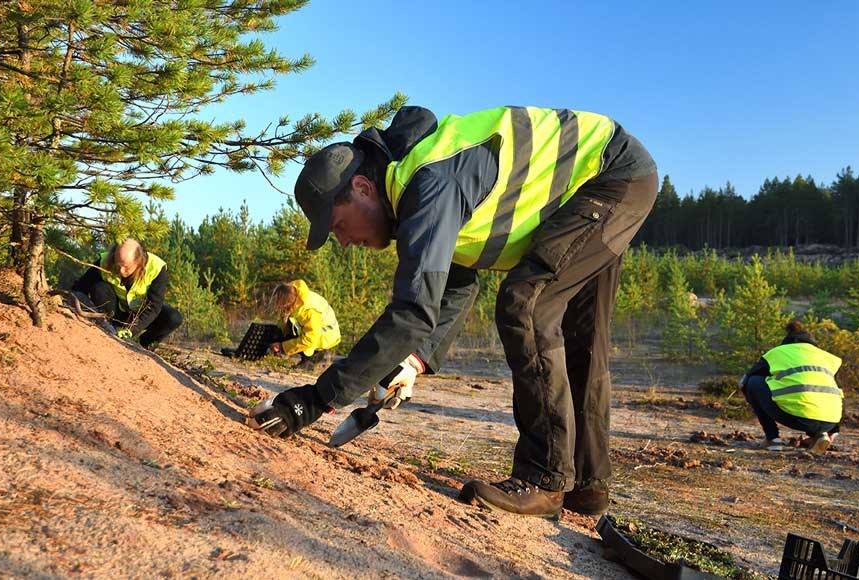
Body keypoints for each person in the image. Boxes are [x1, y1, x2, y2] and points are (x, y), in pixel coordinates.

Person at [249, 105, 658, 518]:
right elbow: (459, 282)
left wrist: (315, 400)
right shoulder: (422, 177)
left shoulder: (427, 184)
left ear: (361, 187)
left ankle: (543, 478)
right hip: (614, 177)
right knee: (580, 337)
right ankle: (587, 488)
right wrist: (413, 359)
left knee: (527, 305)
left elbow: (412, 311)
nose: (343, 241)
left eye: (337, 225)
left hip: (608, 178)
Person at [740, 320, 843, 454]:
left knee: (753, 381)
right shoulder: (828, 358)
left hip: (795, 417)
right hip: (830, 421)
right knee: (828, 392)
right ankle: (821, 435)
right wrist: (833, 430)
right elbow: (839, 394)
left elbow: (744, 382)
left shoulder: (777, 352)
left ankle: (772, 439)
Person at [72, 238, 183, 349]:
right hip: (114, 312)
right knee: (99, 288)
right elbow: (80, 287)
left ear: (139, 262)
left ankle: (144, 344)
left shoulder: (156, 267)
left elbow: (154, 306)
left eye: (126, 267)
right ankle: (109, 330)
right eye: (118, 265)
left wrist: (131, 330)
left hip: (141, 316)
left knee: (173, 318)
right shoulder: (104, 261)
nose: (120, 271)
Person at [266, 279, 341, 366]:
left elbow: (309, 339)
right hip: (314, 333)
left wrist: (283, 347)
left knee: (307, 345)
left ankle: (312, 358)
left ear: (287, 303)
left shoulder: (310, 311)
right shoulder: (294, 294)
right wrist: (279, 336)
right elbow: (285, 322)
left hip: (325, 336)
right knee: (290, 326)